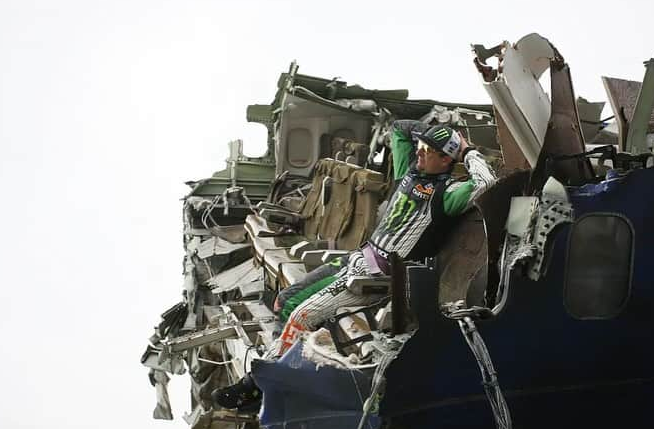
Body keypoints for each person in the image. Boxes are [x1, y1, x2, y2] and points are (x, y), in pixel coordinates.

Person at [212, 121, 495, 410]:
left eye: (429, 151)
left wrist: (467, 151)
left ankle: (253, 385)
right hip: (358, 258)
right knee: (286, 300)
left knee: (301, 315)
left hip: (374, 276)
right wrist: (436, 134)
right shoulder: (409, 174)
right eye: (420, 148)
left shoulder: (447, 195)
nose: (420, 154)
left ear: (447, 159)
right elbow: (399, 130)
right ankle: (277, 361)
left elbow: (485, 182)